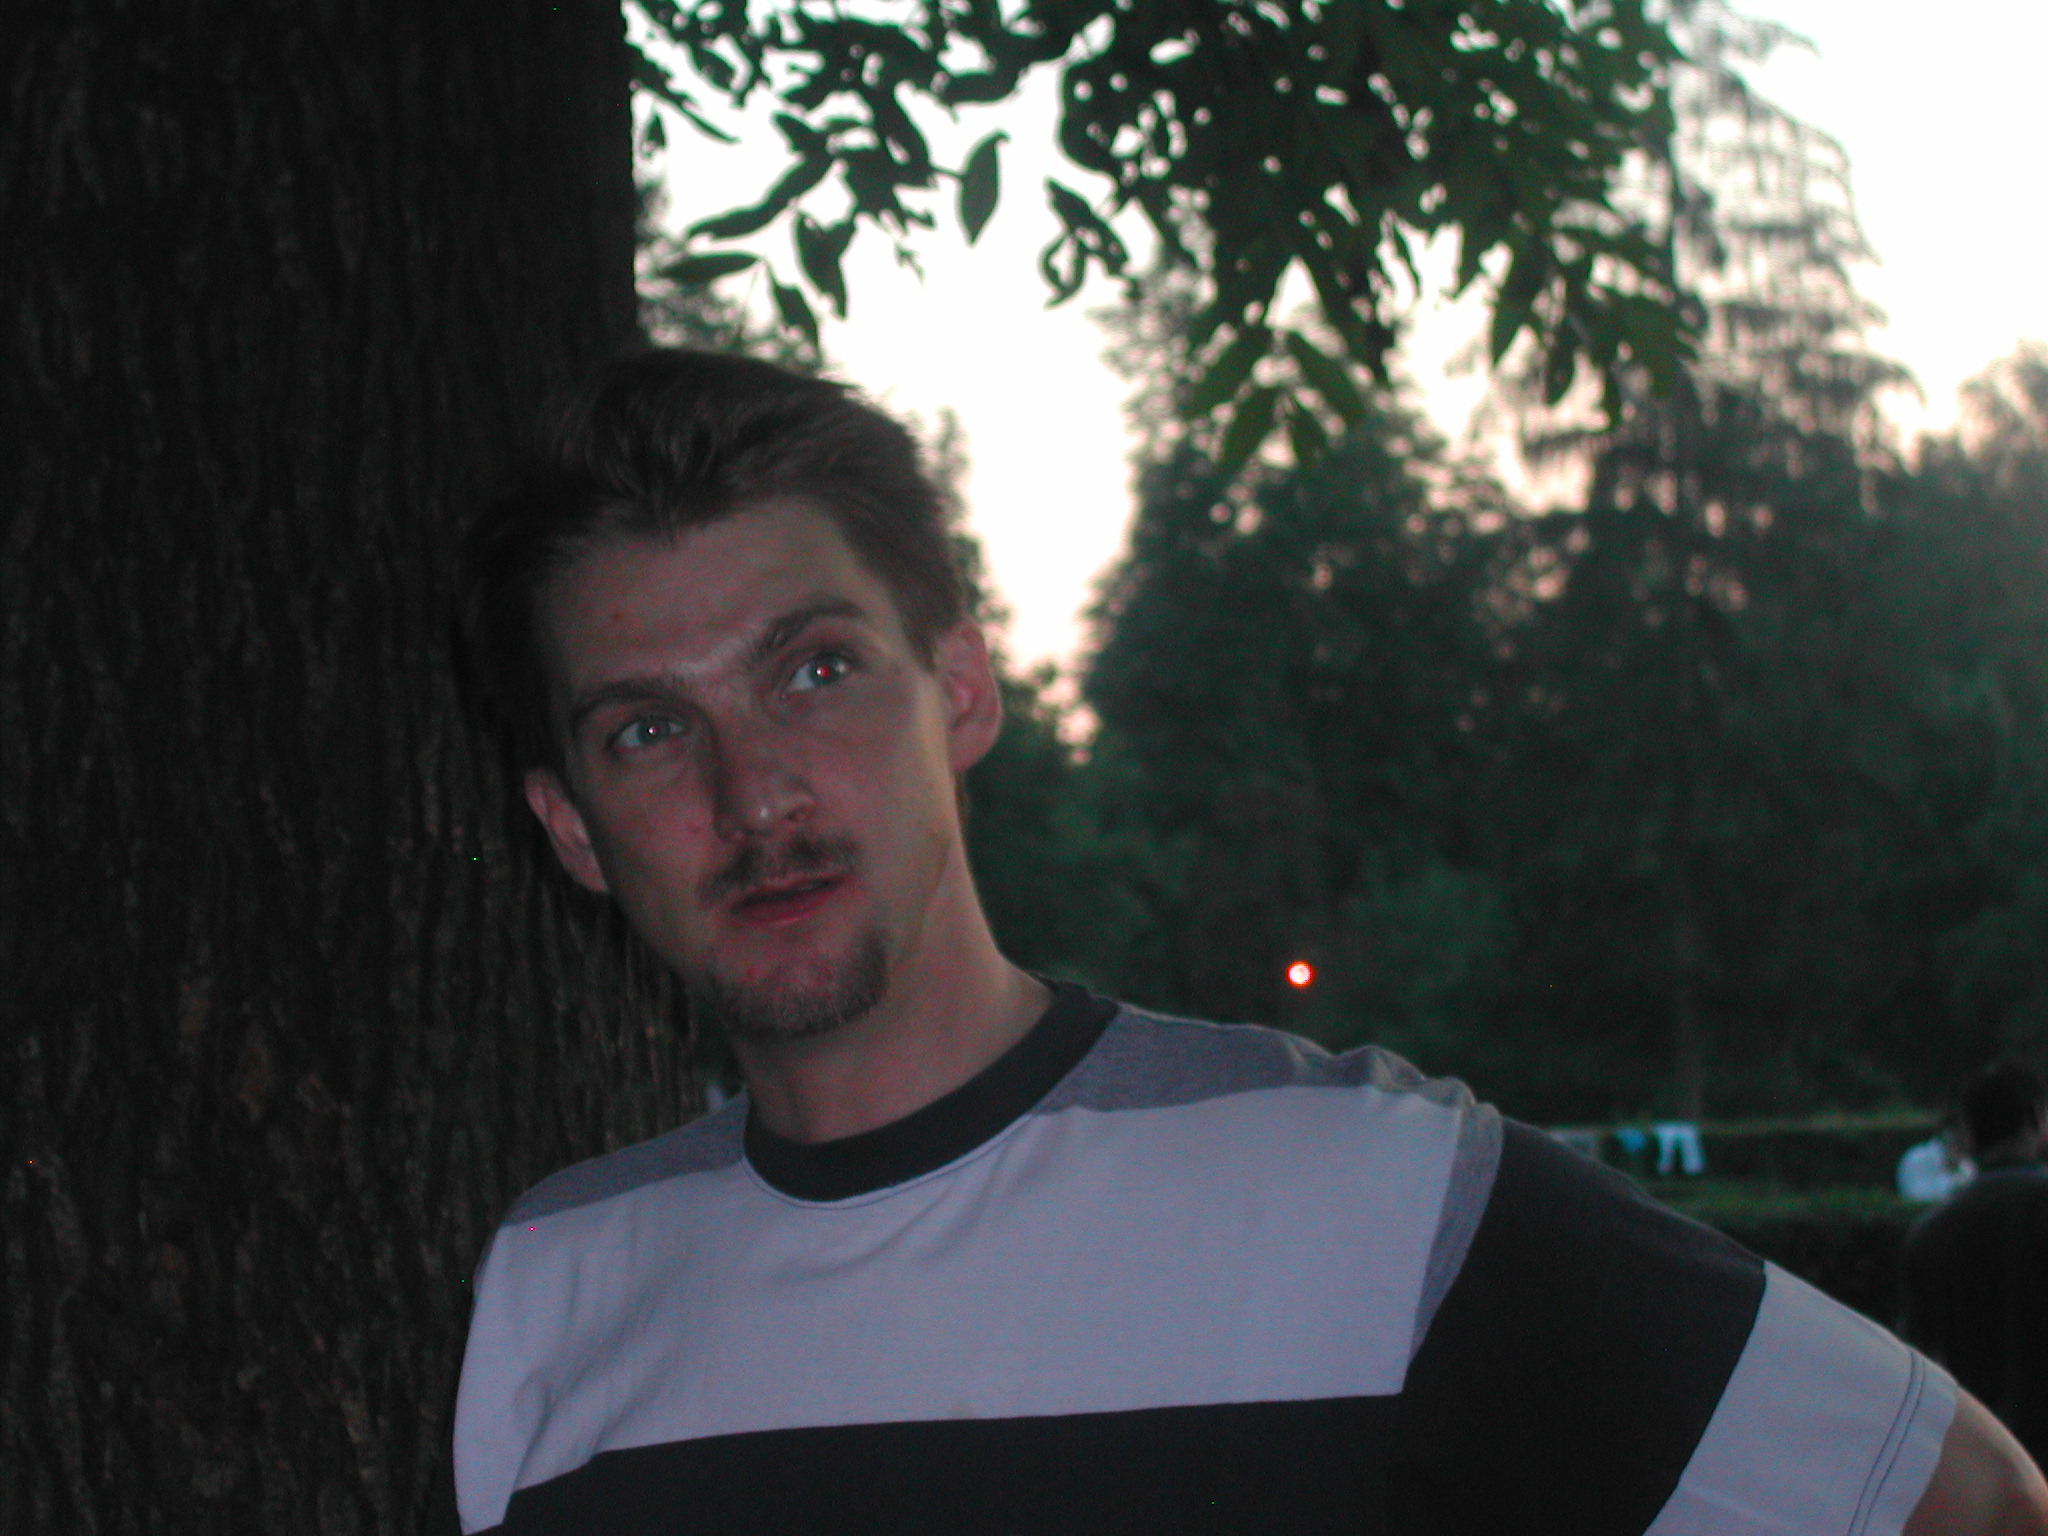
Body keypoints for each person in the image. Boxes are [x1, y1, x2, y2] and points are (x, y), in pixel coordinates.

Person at [447, 348, 2047, 1535]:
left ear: (960, 692)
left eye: (814, 671)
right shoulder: (551, 1286)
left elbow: (1959, 1504)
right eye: (648, 729)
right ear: (572, 827)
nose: (752, 794)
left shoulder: (1362, 1192)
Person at [1905, 1060, 2048, 1468]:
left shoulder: (1930, 1233)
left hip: (1988, 1458)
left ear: (1967, 1133)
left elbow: (1921, 1359)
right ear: (2035, 1119)